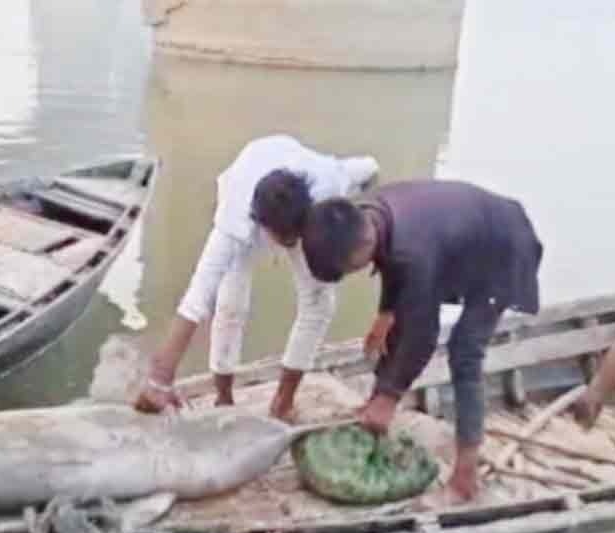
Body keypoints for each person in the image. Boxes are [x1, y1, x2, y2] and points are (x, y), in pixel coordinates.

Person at [298, 180, 543, 501]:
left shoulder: (413, 254)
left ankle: (465, 479)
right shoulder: (369, 213)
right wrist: (386, 312)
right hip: (462, 236)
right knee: (400, 322)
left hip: (506, 249)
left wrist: (390, 395)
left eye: (348, 268)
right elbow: (388, 264)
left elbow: (423, 335)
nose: (352, 273)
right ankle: (376, 406)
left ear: (363, 245)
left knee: (464, 352)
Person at [133, 134, 379, 420]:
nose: (286, 244)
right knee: (230, 302)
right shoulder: (235, 220)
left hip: (307, 212)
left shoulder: (329, 183)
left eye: (292, 238)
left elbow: (370, 168)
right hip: (249, 187)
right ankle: (223, 398)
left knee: (319, 303)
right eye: (281, 238)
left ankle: (283, 402)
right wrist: (159, 379)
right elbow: (197, 297)